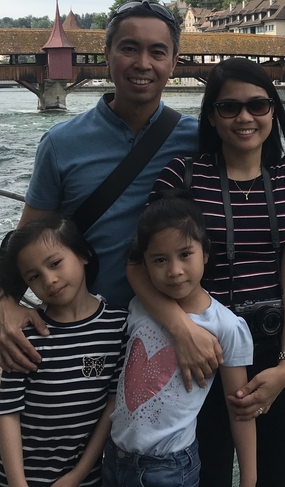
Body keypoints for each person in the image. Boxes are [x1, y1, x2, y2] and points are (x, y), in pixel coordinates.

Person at [0, 0, 285, 383]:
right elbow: (26, 240)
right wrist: (6, 301)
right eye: (129, 48)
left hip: (174, 339)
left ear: (173, 63)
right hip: (90, 334)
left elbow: (254, 173)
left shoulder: (200, 139)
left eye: (157, 52)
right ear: (106, 54)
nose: (143, 63)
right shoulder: (60, 144)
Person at [130, 57, 285, 487]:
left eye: (258, 105)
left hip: (273, 350)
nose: (245, 117)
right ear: (212, 116)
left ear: (273, 111)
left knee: (271, 479)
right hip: (200, 353)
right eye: (229, 107)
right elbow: (137, 264)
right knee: (207, 475)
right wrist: (182, 333)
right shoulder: (183, 177)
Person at [105, 190, 256, 487]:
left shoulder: (225, 326)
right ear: (145, 263)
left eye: (185, 254)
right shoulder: (140, 306)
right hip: (116, 455)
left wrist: (249, 479)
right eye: (160, 260)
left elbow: (239, 408)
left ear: (205, 253)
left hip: (169, 467)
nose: (174, 271)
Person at [0, 216, 127, 487]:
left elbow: (112, 404)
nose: (49, 280)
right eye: (34, 276)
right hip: (11, 479)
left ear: (83, 255)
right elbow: (9, 412)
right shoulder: (26, 333)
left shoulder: (118, 326)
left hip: (80, 479)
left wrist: (77, 475)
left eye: (55, 263)